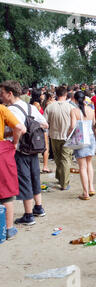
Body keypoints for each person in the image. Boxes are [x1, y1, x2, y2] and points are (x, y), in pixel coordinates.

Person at [0, 80, 48, 226]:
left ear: (10, 93)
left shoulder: (12, 110)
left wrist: (13, 140)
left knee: (24, 179)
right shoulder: (31, 107)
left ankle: (28, 215)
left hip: (21, 149)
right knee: (35, 176)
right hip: (34, 147)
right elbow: (45, 124)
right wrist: (32, 125)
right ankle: (38, 207)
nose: (0, 96)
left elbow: (20, 128)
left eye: (2, 93)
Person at [0, 101, 26, 240]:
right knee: (6, 193)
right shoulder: (1, 109)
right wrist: (15, 142)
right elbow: (20, 127)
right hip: (1, 151)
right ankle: (8, 229)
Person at [44, 86, 74, 191]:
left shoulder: (50, 107)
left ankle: (59, 177)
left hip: (54, 135)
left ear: (56, 94)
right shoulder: (70, 107)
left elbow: (45, 123)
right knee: (65, 159)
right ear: (66, 95)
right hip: (67, 136)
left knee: (57, 159)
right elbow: (74, 125)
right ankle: (64, 183)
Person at [68, 91, 96, 200]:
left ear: (74, 99)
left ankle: (85, 193)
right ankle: (91, 187)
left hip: (80, 138)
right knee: (89, 163)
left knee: (82, 167)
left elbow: (72, 126)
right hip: (91, 137)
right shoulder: (91, 110)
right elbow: (93, 123)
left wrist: (67, 135)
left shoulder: (74, 111)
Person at [30, 88, 51, 173]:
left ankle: (45, 166)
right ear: (39, 95)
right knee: (46, 147)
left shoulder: (36, 103)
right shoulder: (36, 104)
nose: (44, 95)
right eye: (42, 94)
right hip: (40, 127)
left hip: (39, 126)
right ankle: (45, 166)